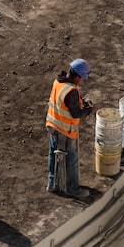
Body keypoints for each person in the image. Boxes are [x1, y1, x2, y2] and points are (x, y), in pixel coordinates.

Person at [45, 58, 97, 199]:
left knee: (53, 155)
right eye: (82, 78)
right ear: (78, 76)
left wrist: (80, 101)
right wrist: (89, 110)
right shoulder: (71, 91)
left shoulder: (59, 82)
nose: (82, 81)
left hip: (52, 124)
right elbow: (75, 113)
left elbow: (66, 103)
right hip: (65, 130)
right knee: (71, 160)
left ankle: (52, 183)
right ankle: (72, 188)